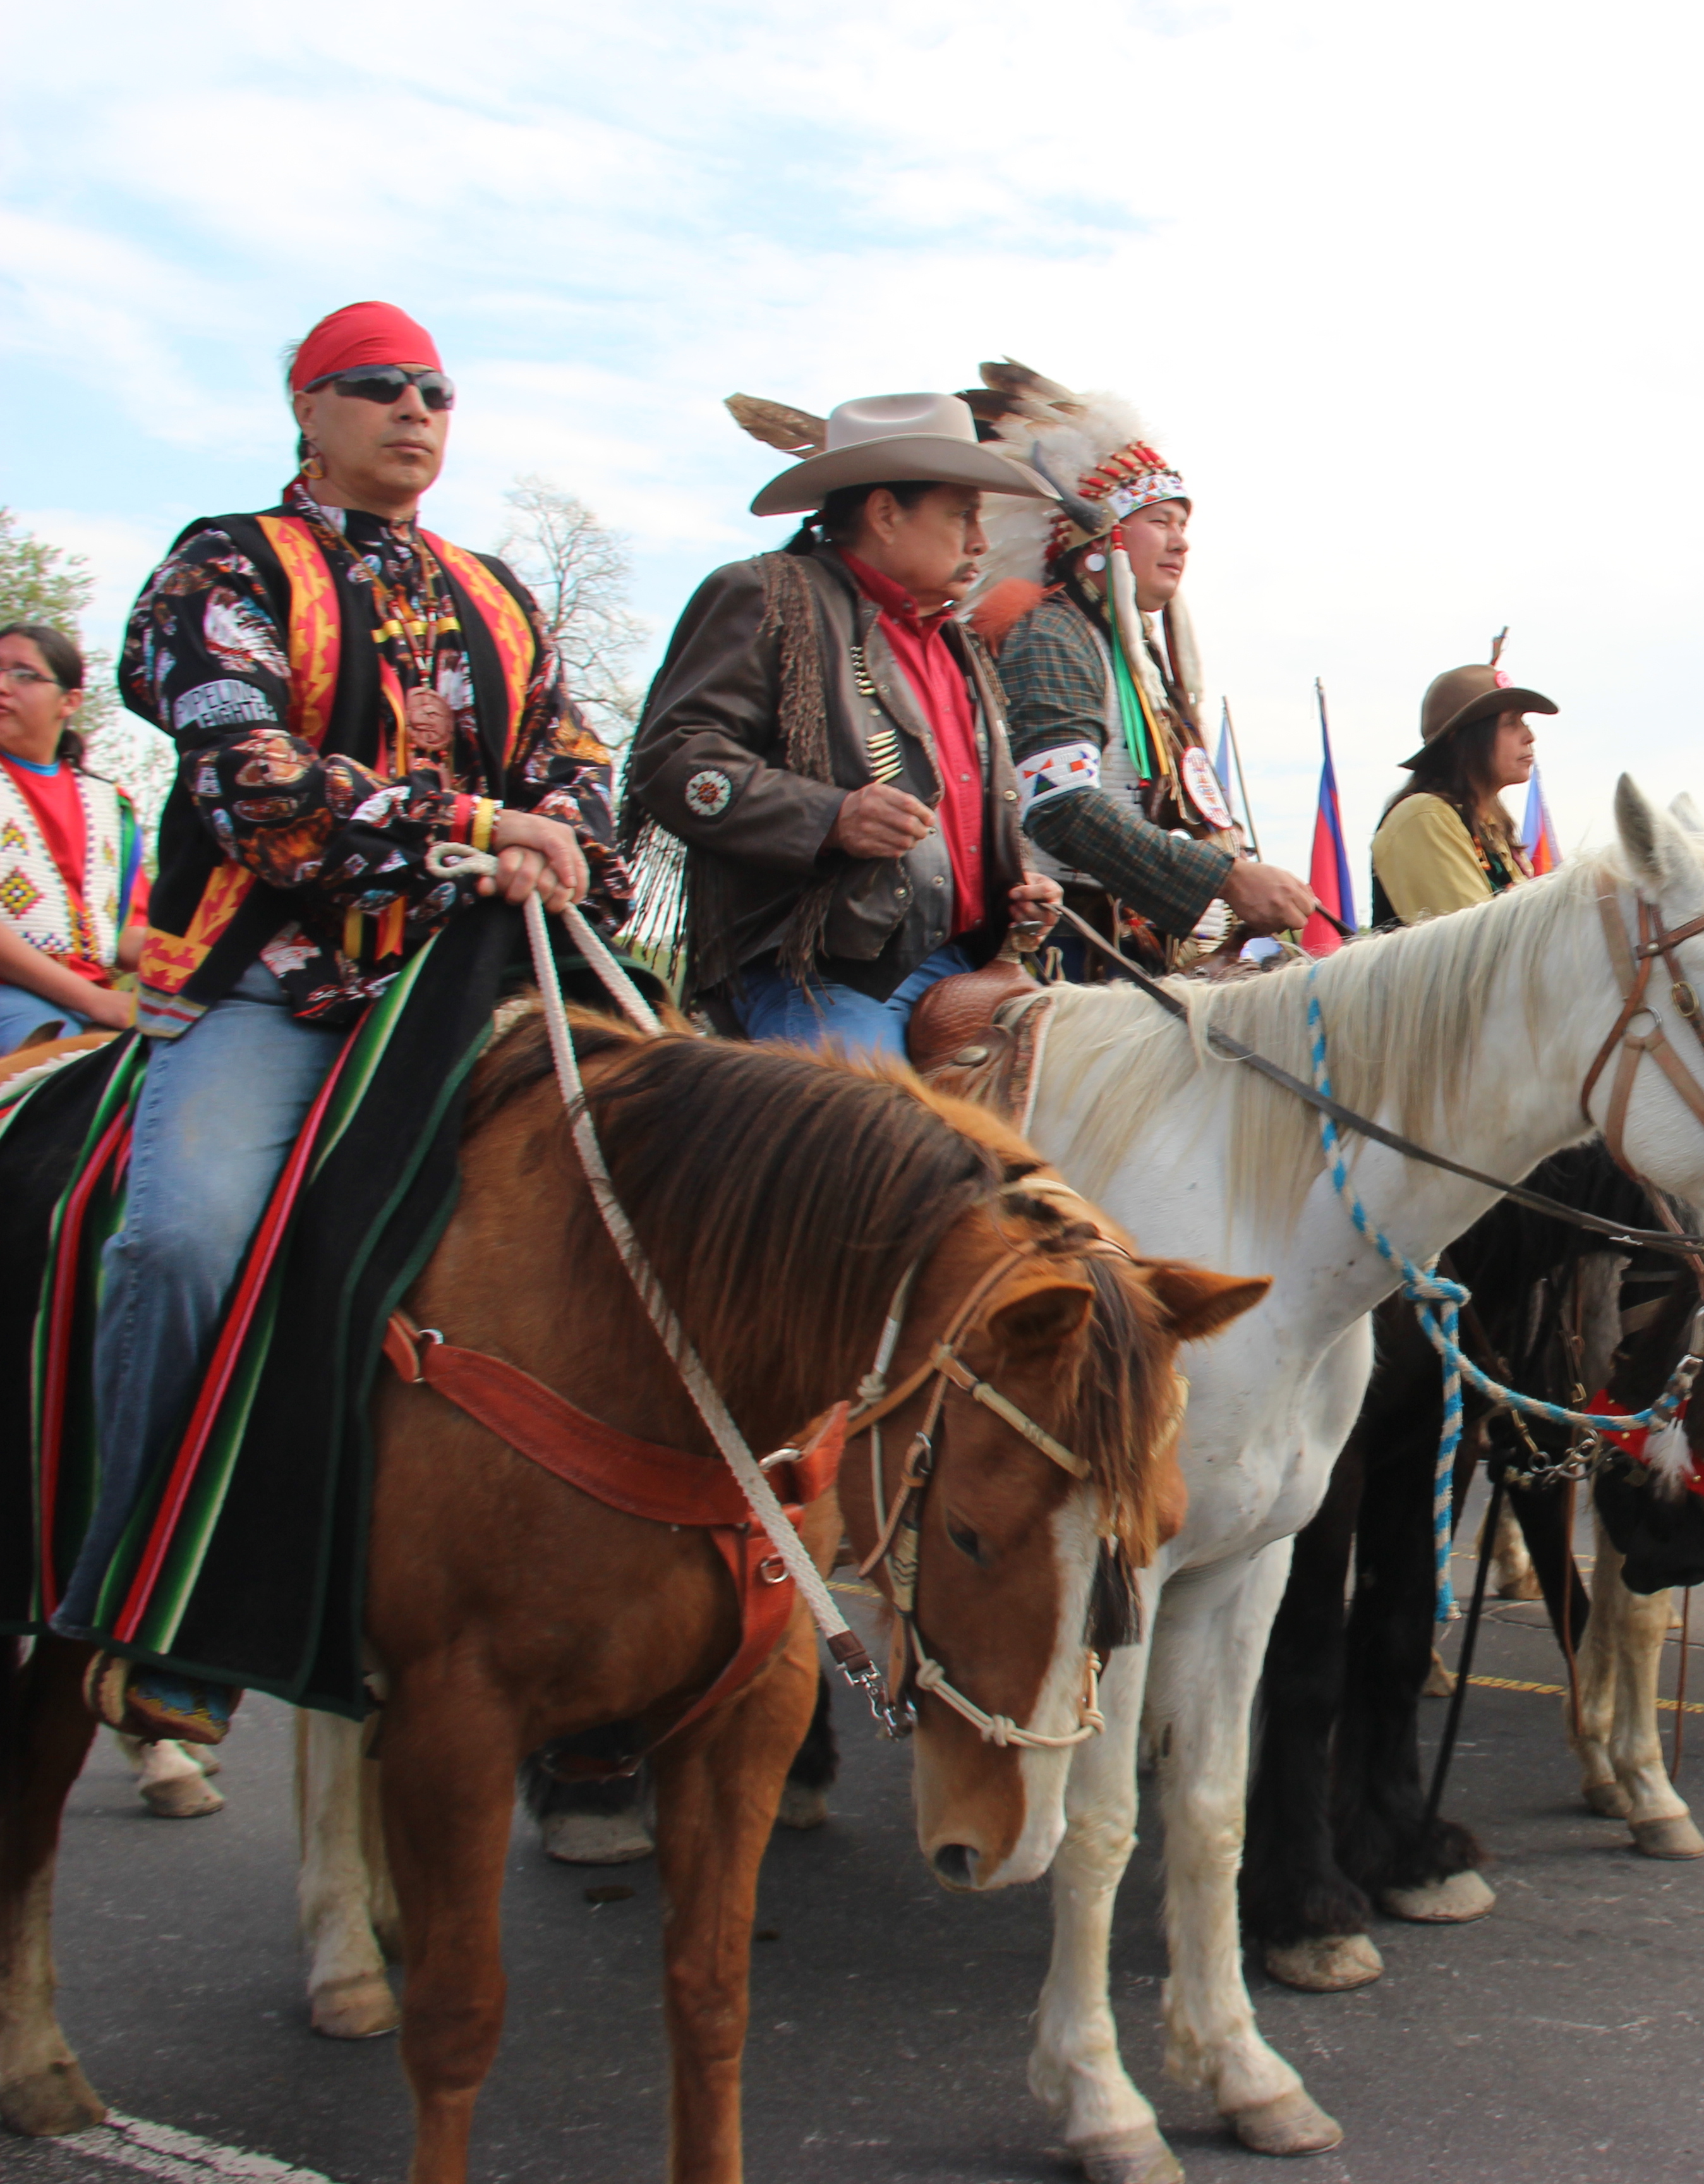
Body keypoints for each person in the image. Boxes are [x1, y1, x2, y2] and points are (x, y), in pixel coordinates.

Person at [63, 302, 621, 1740]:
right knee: (182, 1241)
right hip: (270, 983)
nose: (414, 409)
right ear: (307, 409)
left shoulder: (498, 591)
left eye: (435, 389)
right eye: (376, 386)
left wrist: (558, 836)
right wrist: (480, 826)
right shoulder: (220, 566)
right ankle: (145, 1592)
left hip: (464, 992)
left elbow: (575, 766)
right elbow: (253, 783)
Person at [629, 393, 1062, 1053]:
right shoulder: (767, 596)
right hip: (822, 973)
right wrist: (831, 817)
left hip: (972, 969)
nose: (980, 541)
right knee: (873, 1121)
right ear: (885, 514)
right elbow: (674, 760)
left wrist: (1018, 888)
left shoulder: (962, 647)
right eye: (962, 515)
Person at [958, 367, 1319, 952]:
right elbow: (1059, 806)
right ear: (1101, 540)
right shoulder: (1052, 633)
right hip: (1062, 946)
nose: (1181, 541)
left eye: (1183, 525)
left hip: (1131, 948)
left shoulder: (1136, 656)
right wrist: (1225, 879)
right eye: (1160, 522)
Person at [0, 623, 145, 1043]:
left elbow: (125, 936)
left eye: (23, 674)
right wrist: (94, 1001)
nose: (2, 686)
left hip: (92, 999)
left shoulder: (111, 805)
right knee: (59, 1067)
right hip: (19, 1000)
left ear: (70, 702)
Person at [1372, 658, 1558, 928]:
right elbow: (1484, 943)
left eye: (1523, 721)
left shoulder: (1486, 824)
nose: (1529, 736)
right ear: (1459, 738)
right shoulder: (1424, 817)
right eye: (1510, 723)